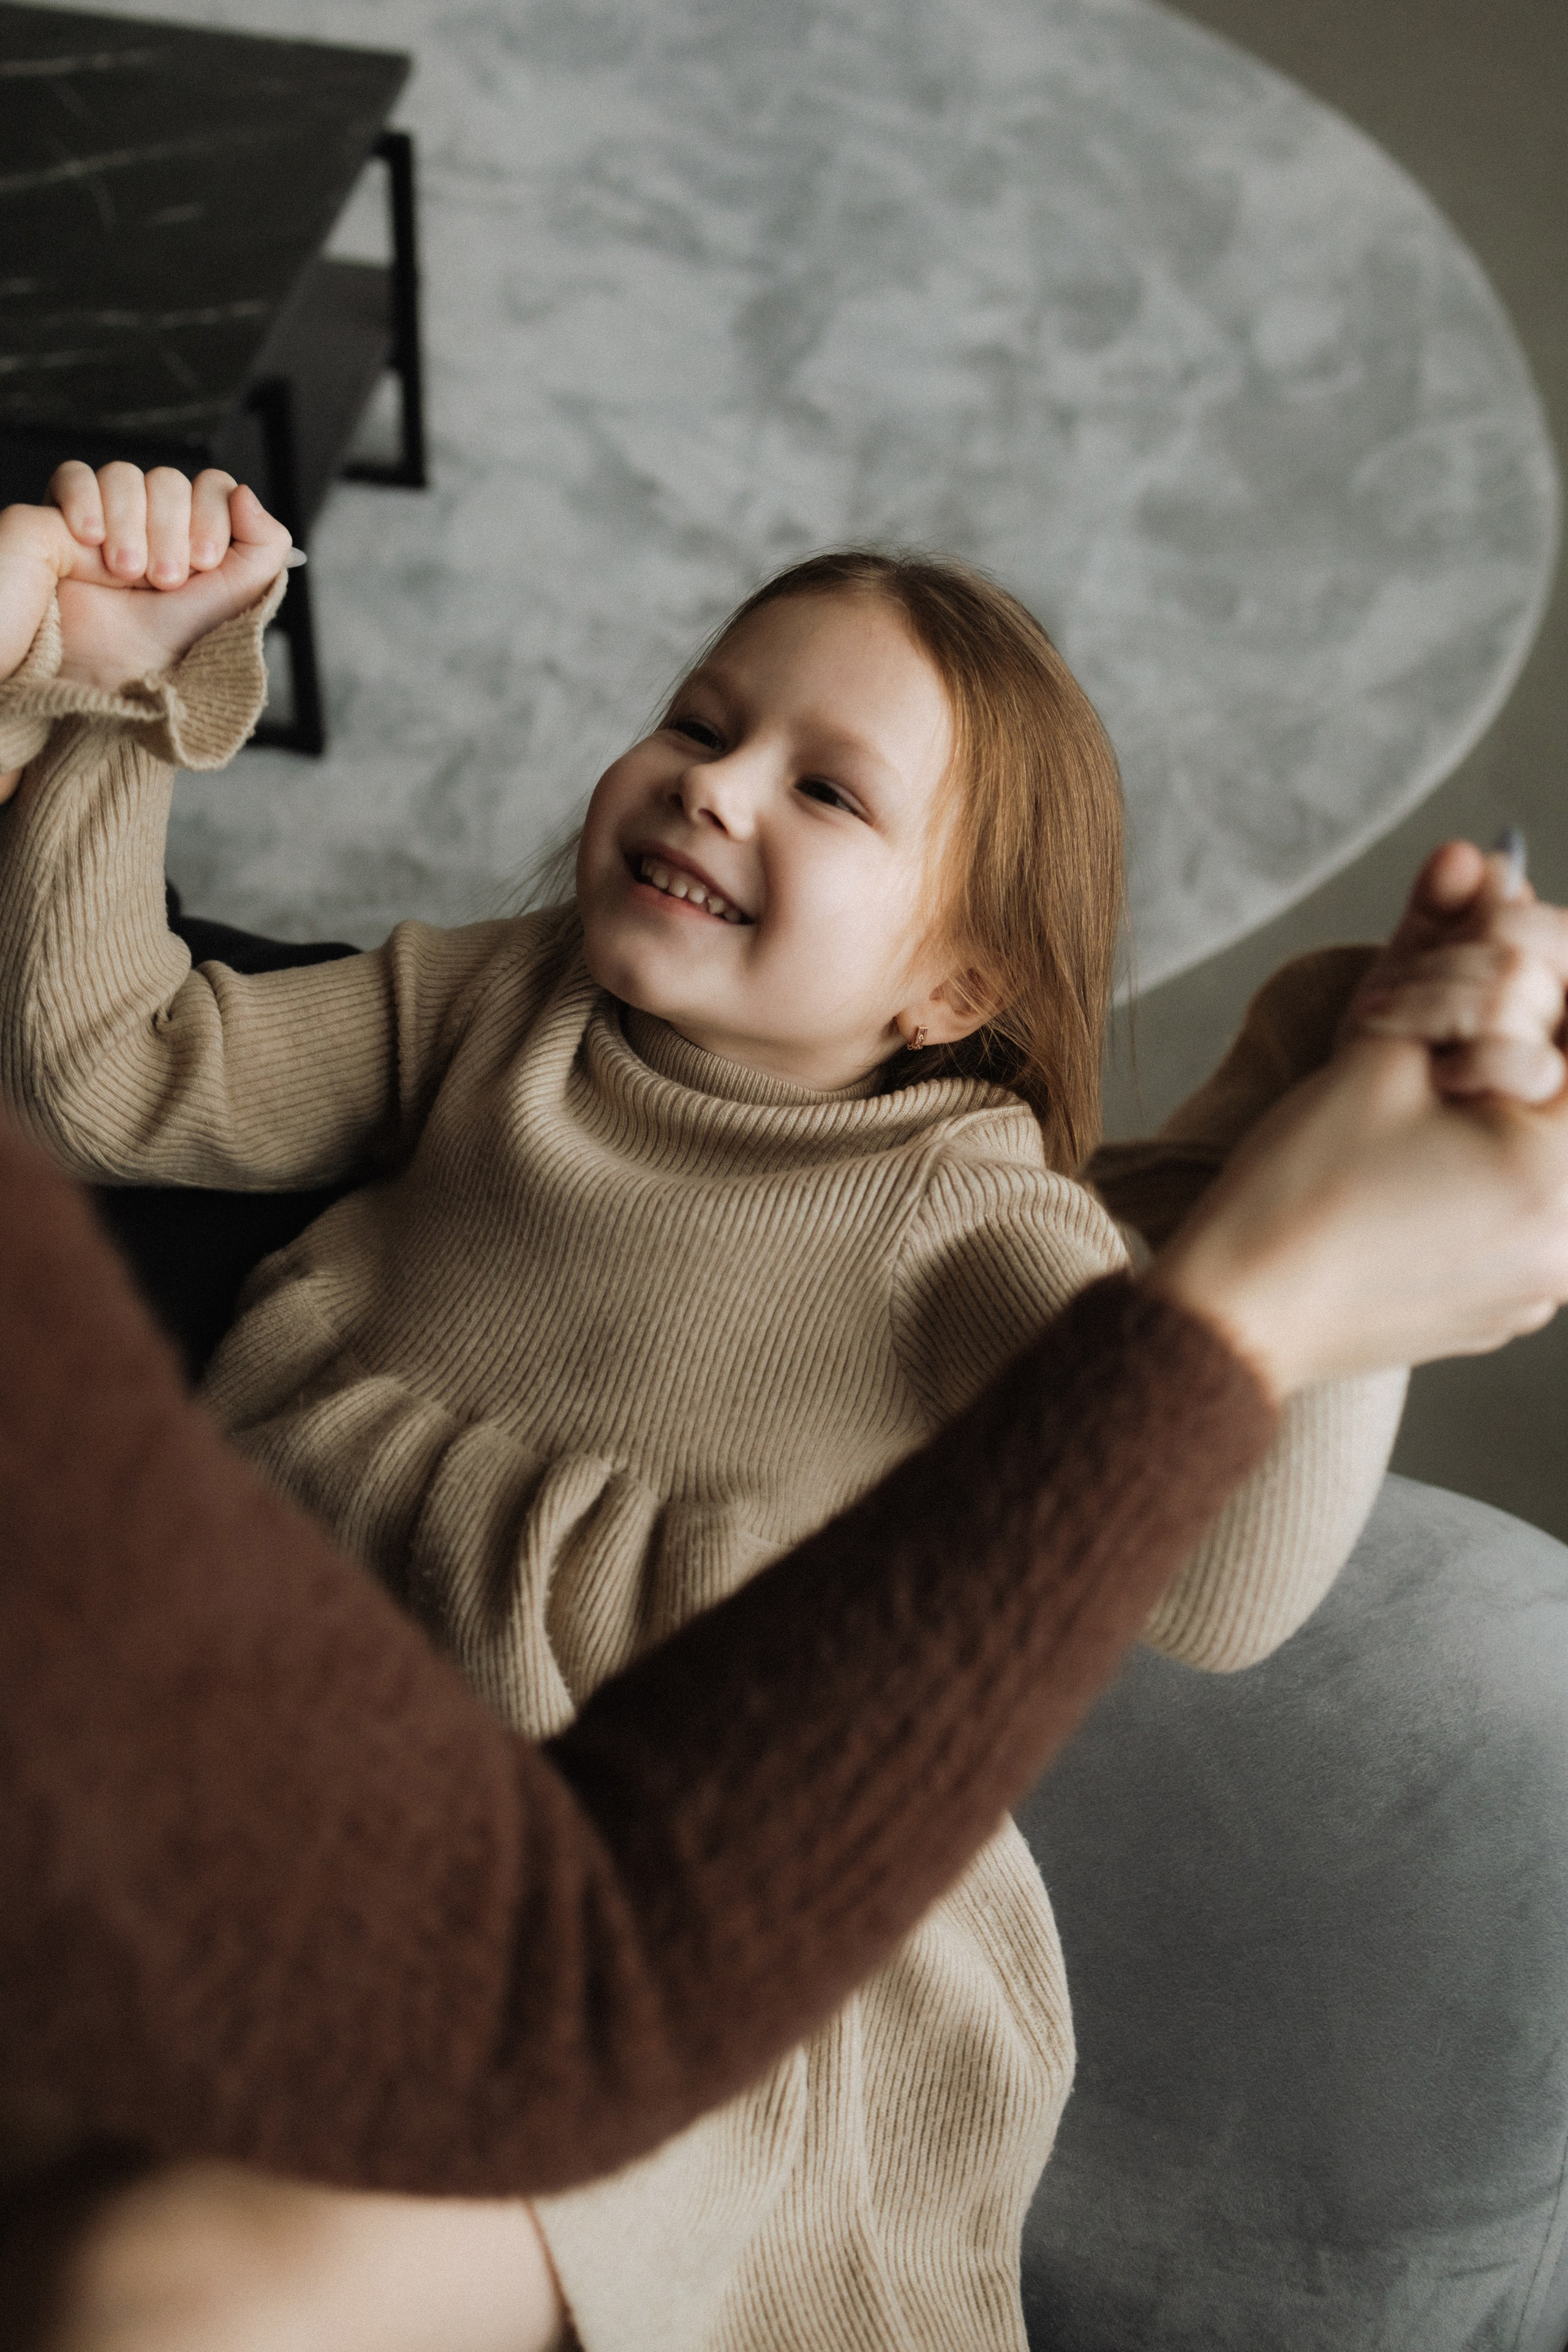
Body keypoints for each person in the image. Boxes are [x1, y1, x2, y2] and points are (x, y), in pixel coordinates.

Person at [1, 469, 1566, 2352]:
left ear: (956, 982)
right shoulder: (504, 1007)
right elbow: (113, 1073)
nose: (712, 784)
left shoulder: (963, 1217)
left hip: (709, 1950)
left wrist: (1352, 1235)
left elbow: (1220, 1587)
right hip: (308, 1808)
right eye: (699, 720)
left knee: (205, 2279)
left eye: (828, 791)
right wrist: (113, 701)